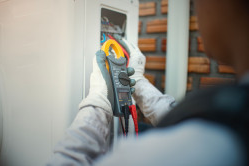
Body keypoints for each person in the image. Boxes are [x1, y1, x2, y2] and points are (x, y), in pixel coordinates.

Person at [47, 0, 249, 165]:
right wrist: (138, 83)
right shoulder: (231, 114)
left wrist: (98, 101)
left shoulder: (188, 151)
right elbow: (186, 119)